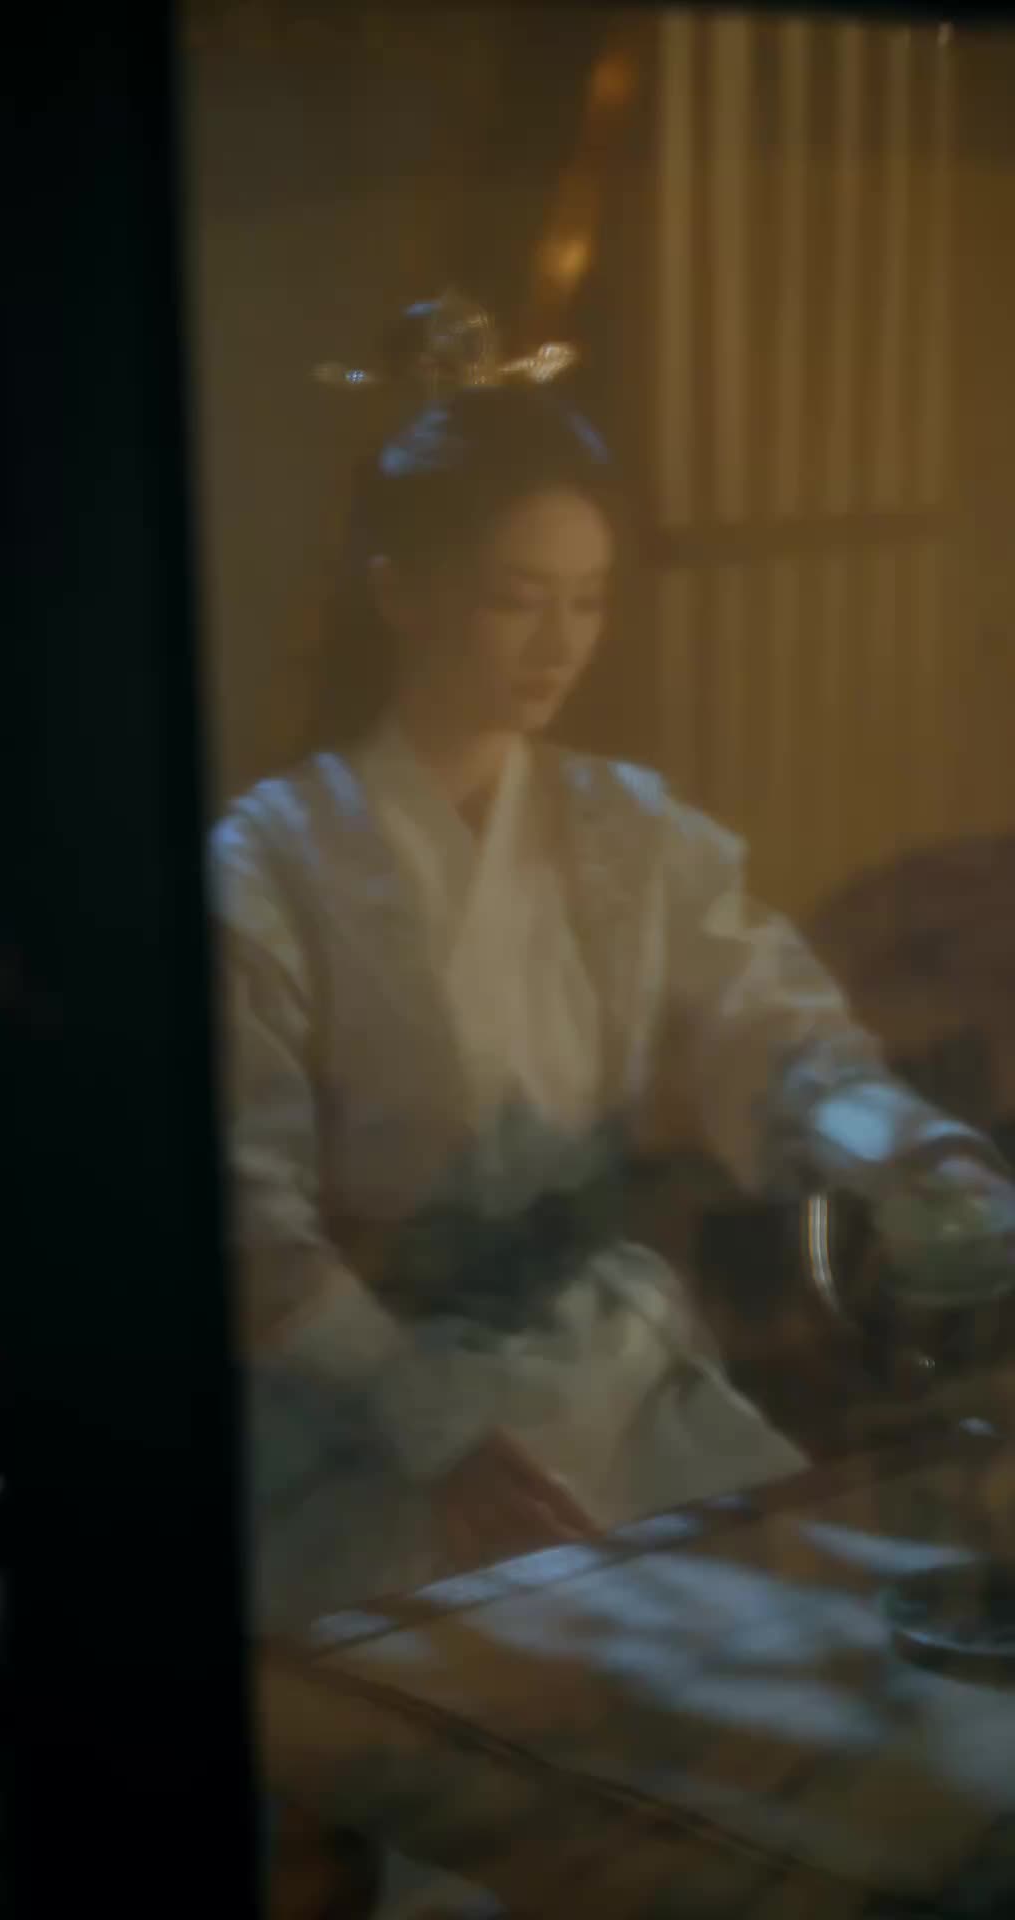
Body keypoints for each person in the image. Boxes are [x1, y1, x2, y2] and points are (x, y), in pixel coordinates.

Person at [211, 294, 1015, 1635]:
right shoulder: (274, 864)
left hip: (610, 1365)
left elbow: (776, 1037)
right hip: (372, 1405)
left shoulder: (624, 832)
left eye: (586, 603)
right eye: (516, 601)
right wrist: (433, 1429)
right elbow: (248, 1222)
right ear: (400, 593)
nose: (560, 645)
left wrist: (915, 1157)